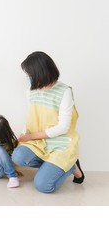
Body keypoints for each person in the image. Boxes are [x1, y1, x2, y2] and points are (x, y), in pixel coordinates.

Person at [11, 51, 85, 193]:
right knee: (18, 156)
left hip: (61, 143)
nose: (27, 78)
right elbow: (31, 116)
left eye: (29, 75)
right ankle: (54, 166)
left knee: (43, 186)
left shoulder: (64, 91)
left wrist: (31, 137)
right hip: (40, 142)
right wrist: (22, 135)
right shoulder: (30, 91)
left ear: (40, 73)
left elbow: (63, 127)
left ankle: (70, 166)